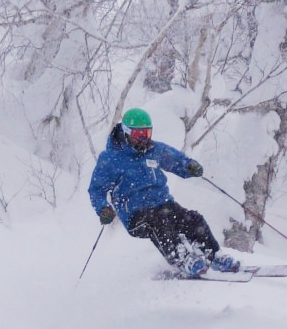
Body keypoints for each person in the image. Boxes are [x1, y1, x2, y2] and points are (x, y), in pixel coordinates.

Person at [88, 107, 240, 275]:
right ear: (126, 133)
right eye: (139, 135)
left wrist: (189, 166)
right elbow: (96, 189)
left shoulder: (154, 150)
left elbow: (176, 160)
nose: (144, 139)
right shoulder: (111, 159)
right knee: (158, 221)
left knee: (193, 219)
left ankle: (213, 254)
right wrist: (104, 209)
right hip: (135, 214)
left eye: (147, 133)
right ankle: (182, 259)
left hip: (164, 204)